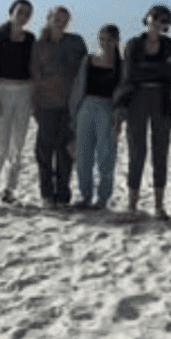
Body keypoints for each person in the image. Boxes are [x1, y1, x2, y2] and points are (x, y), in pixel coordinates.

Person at [117, 4, 171, 221]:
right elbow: (130, 73)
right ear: (147, 18)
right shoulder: (134, 43)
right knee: (137, 151)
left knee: (160, 151)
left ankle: (159, 206)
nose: (159, 23)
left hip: (161, 100)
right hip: (136, 100)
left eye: (164, 20)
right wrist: (158, 69)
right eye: (156, 18)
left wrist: (148, 69)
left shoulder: (170, 44)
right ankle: (132, 205)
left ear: (167, 25)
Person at [0, 0, 35, 207]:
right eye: (20, 11)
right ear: (11, 11)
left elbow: (32, 69)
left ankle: (9, 191)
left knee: (17, 146)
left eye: (28, 12)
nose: (24, 15)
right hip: (2, 89)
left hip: (24, 93)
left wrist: (32, 98)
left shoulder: (30, 38)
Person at [31, 5, 88, 208]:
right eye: (57, 17)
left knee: (66, 152)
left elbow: (85, 72)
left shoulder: (76, 42)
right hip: (46, 105)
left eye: (65, 18)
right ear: (48, 18)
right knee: (44, 152)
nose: (60, 21)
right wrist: (33, 106)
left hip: (71, 106)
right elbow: (34, 78)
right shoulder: (38, 46)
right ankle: (47, 195)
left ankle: (63, 195)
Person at [70, 24, 122, 210]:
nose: (106, 43)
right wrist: (73, 114)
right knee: (83, 155)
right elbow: (78, 88)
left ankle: (102, 198)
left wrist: (119, 118)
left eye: (110, 39)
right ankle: (84, 196)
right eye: (102, 38)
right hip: (86, 107)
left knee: (106, 156)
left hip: (108, 109)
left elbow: (122, 95)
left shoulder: (120, 65)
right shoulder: (89, 60)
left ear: (116, 40)